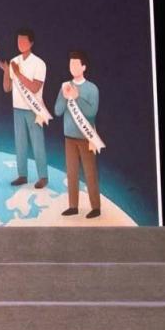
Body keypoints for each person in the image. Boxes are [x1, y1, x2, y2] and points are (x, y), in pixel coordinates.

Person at [0, 28, 50, 189]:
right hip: (18, 108)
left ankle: (43, 177)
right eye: (18, 41)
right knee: (20, 143)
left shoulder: (39, 63)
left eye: (23, 41)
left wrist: (18, 74)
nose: (20, 43)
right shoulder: (14, 61)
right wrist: (6, 71)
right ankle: (22, 175)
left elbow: (35, 88)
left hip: (34, 110)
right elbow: (7, 88)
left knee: (37, 143)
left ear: (31, 42)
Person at [55, 50, 103, 219]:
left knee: (90, 173)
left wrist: (77, 97)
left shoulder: (92, 88)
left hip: (86, 138)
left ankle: (95, 207)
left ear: (84, 67)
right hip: (69, 137)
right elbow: (57, 111)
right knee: (72, 173)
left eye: (76, 64)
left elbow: (92, 112)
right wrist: (64, 96)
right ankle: (73, 206)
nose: (73, 67)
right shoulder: (65, 86)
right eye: (71, 64)